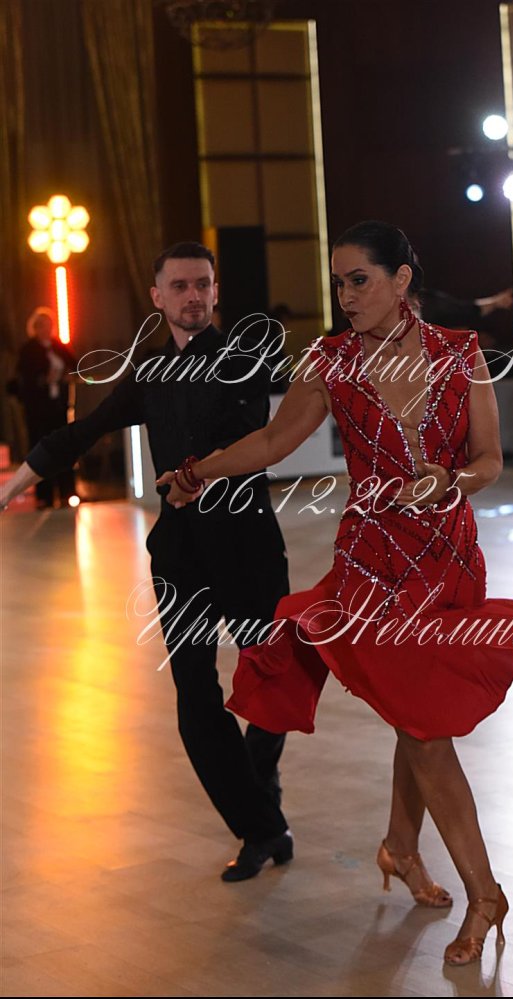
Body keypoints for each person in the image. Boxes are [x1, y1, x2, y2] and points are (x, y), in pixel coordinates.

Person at [158, 221, 513, 966]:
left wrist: (450, 481)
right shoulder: (329, 361)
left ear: (402, 280)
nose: (345, 295)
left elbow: (490, 459)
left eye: (359, 279)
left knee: (416, 716)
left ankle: (401, 844)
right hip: (372, 570)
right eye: (338, 282)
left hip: (448, 563)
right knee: (425, 729)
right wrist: (198, 471)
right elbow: (272, 442)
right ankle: (486, 893)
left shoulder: (460, 352)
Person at [0, 242, 293, 882]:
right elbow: (80, 434)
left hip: (246, 548)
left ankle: (261, 800)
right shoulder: (151, 372)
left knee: (274, 684)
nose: (193, 296)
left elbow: (250, 438)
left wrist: (195, 476)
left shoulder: (243, 361)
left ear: (215, 292)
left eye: (203, 284)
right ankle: (262, 826)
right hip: (182, 557)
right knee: (195, 703)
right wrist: (10, 487)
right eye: (180, 286)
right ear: (157, 297)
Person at [16, 307, 77, 507]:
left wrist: (66, 376)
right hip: (38, 410)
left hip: (58, 407)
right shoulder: (28, 350)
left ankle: (67, 492)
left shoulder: (58, 346)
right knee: (40, 449)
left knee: (63, 447)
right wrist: (43, 380)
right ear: (35, 328)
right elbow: (23, 380)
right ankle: (44, 496)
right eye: (42, 326)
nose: (47, 329)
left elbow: (74, 364)